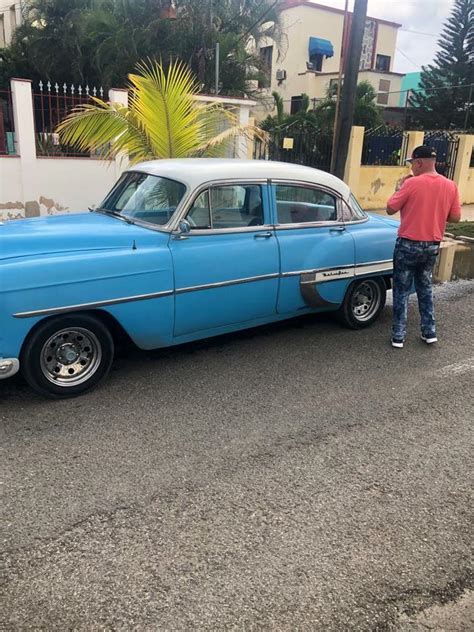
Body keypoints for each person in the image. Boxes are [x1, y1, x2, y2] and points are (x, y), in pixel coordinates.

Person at [386, 145, 461, 348]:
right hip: (432, 246)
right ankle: (429, 331)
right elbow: (455, 217)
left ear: (419, 162)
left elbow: (390, 208)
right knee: (425, 287)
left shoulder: (411, 183)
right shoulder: (450, 185)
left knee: (401, 290)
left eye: (412, 164)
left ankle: (398, 335)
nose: (412, 168)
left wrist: (401, 187)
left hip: (408, 245)